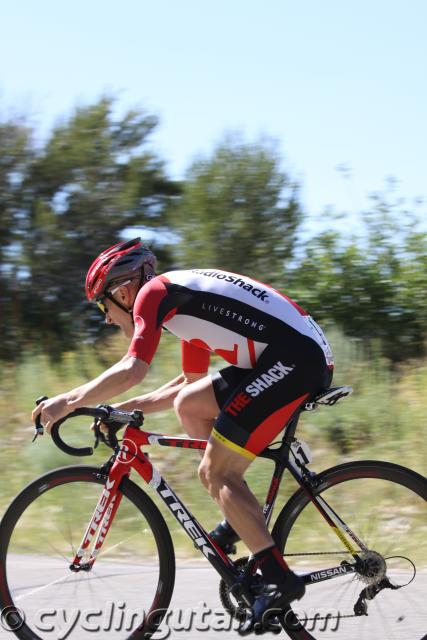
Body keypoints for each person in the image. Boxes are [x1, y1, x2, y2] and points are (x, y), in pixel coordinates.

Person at [32, 237, 334, 633]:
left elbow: (133, 368)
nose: (106, 319)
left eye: (103, 306)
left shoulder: (154, 295)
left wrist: (67, 402)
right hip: (293, 355)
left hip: (294, 360)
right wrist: (123, 410)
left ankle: (279, 581)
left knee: (215, 472)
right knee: (191, 406)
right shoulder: (183, 305)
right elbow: (187, 386)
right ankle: (237, 520)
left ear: (123, 292)